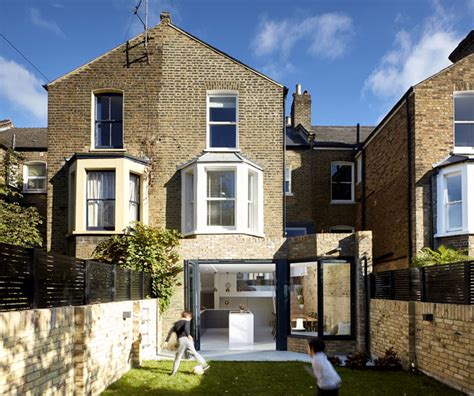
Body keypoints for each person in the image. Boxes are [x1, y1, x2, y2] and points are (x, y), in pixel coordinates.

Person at [163, 311, 209, 376]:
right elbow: (186, 328)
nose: (190, 319)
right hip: (186, 339)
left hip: (180, 340)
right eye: (190, 318)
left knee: (178, 357)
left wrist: (166, 341)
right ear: (187, 317)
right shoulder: (186, 321)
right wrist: (188, 335)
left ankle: (174, 372)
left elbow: (170, 332)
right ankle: (204, 365)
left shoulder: (176, 323)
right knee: (194, 352)